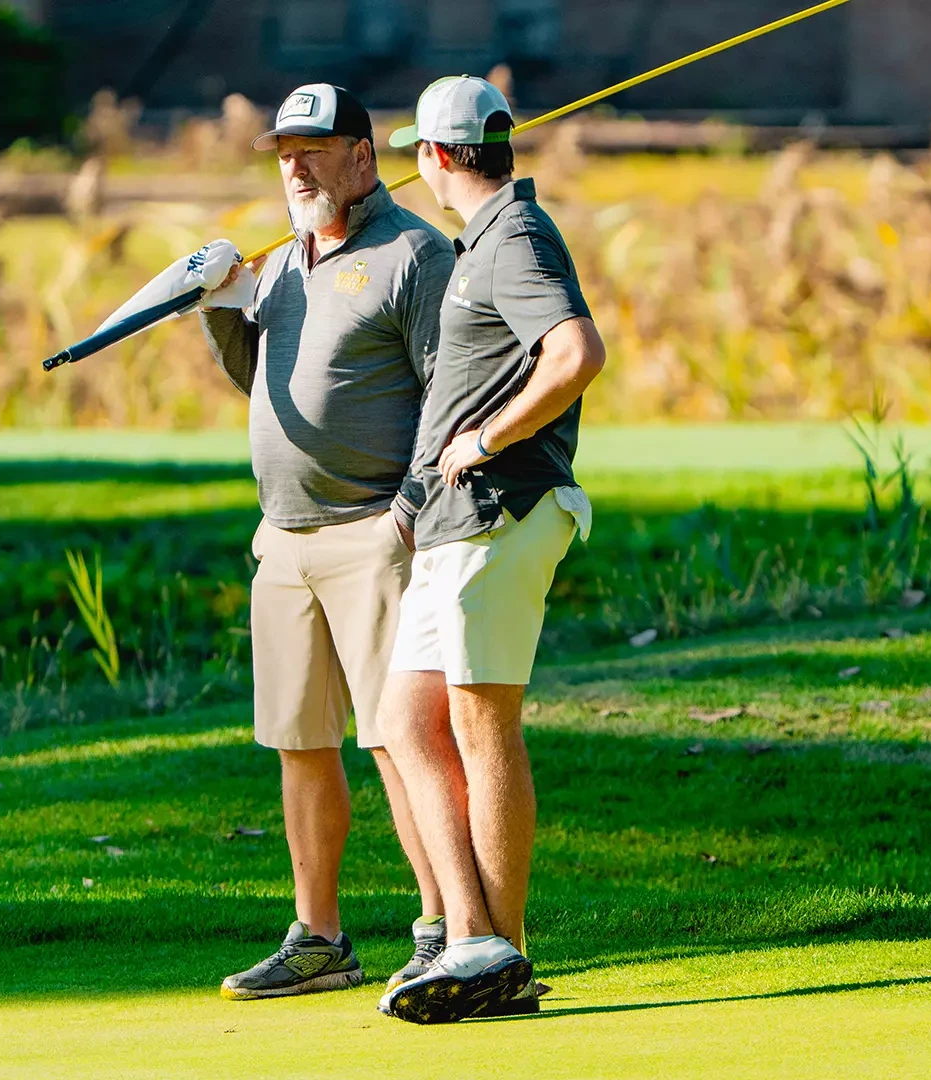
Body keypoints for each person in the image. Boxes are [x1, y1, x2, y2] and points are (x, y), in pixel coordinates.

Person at [197, 83, 459, 1001]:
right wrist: (220, 305)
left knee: (400, 740)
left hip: (375, 533)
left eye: (314, 149)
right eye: (283, 153)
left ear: (364, 156)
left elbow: (451, 393)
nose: (296, 167)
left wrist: (409, 508)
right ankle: (319, 937)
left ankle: (439, 928)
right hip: (286, 539)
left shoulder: (414, 253)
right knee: (301, 742)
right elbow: (261, 382)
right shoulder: (283, 266)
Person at [375, 75, 606, 1025]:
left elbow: (576, 352)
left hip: (500, 511)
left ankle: (497, 949)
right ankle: (477, 939)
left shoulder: (514, 238)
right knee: (407, 720)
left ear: (433, 157)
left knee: (479, 721)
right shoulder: (488, 239)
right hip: (454, 522)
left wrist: (485, 439)